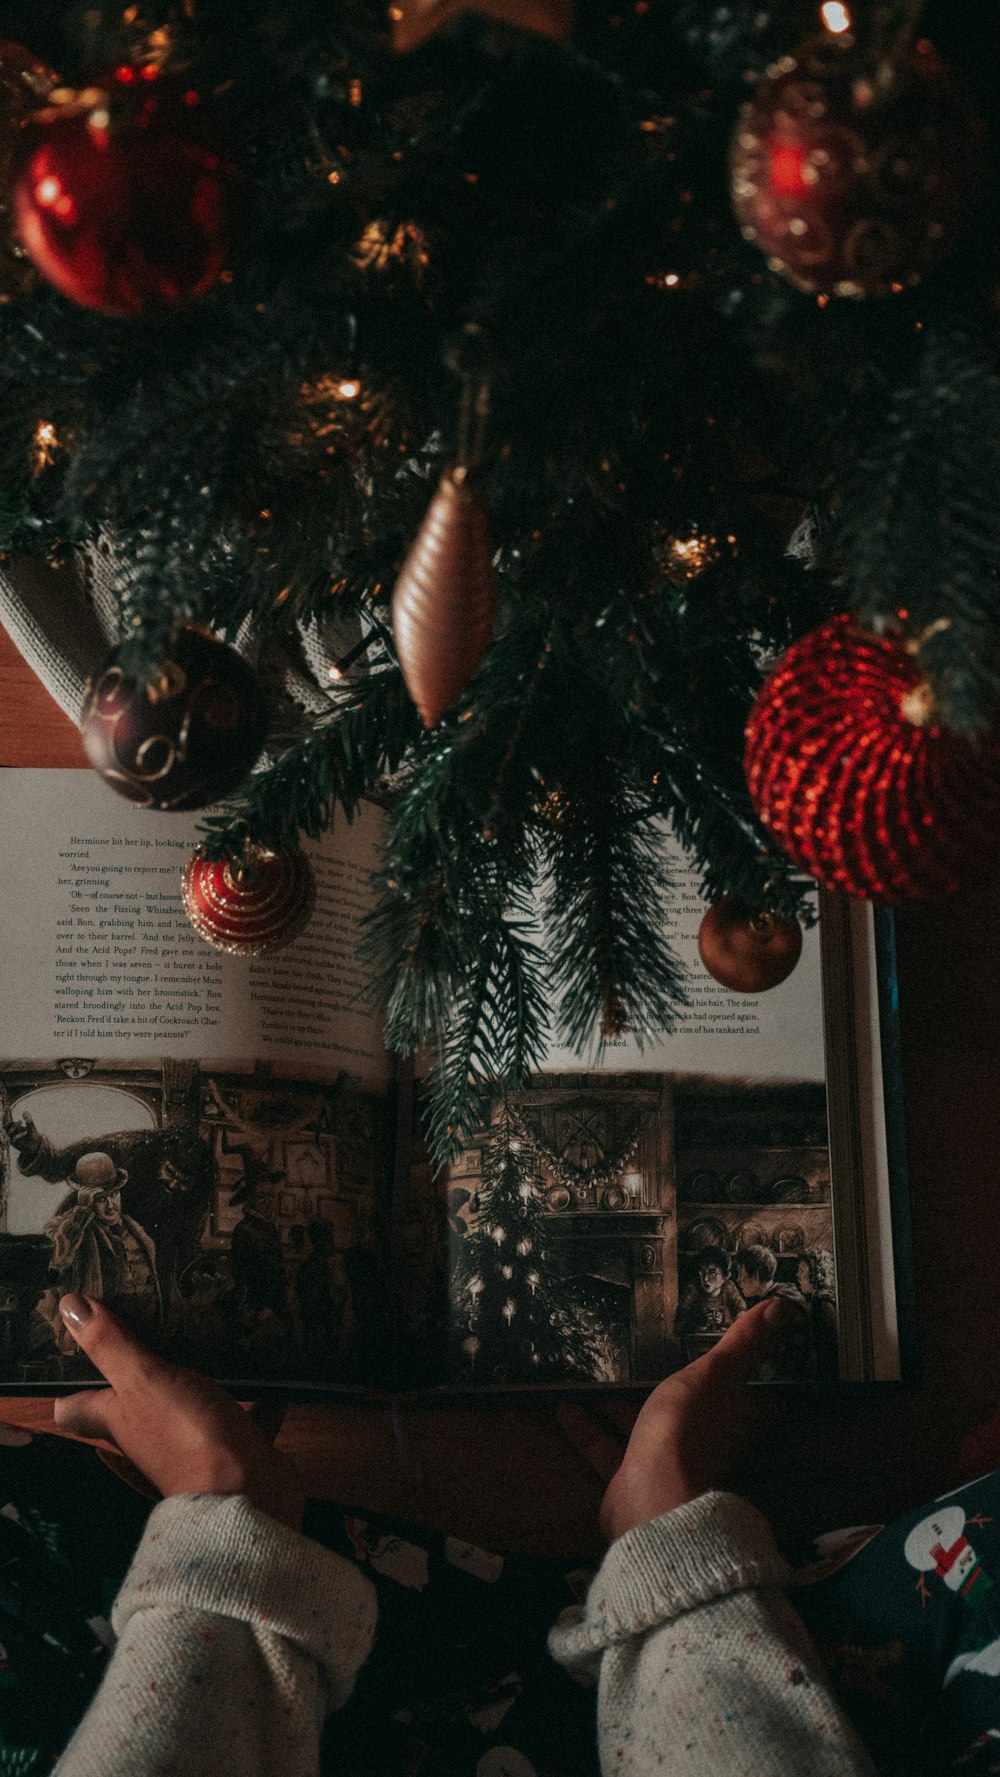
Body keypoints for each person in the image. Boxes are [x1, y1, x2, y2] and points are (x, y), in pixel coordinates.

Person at [40, 1153, 161, 1353]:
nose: (111, 1204)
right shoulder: (67, 1227)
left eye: (114, 1194)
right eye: (100, 1198)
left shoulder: (136, 1232)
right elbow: (57, 1259)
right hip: (92, 1342)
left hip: (140, 1337)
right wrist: (81, 1212)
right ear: (86, 1200)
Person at [674, 1246, 745, 1336]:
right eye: (702, 1273)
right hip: (697, 1344)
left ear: (725, 1276)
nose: (705, 1279)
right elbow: (677, 1327)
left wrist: (724, 1319)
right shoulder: (692, 1290)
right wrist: (697, 1321)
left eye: (712, 1274)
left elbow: (742, 1316)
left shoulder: (729, 1288)